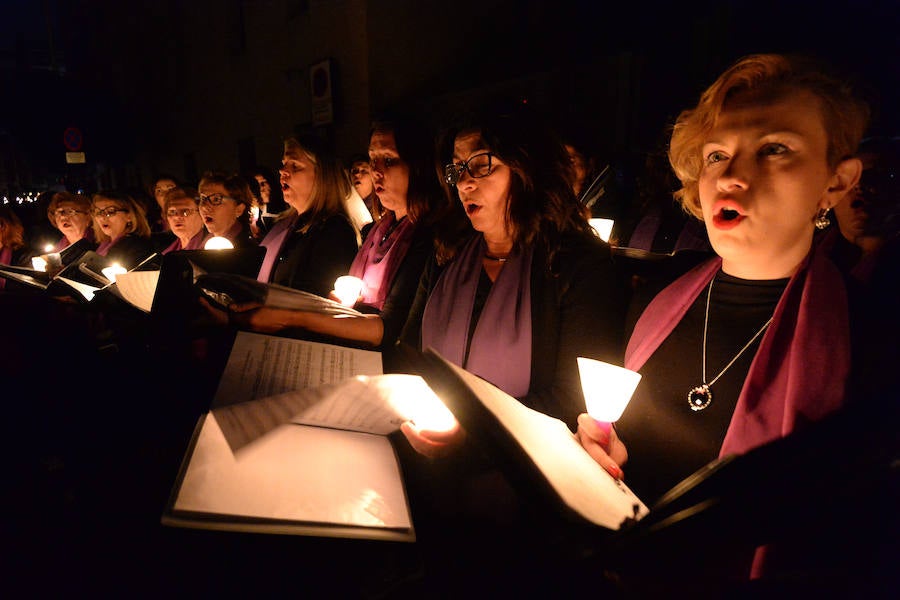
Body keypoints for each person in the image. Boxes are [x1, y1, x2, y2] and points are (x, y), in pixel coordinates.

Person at [574, 53, 871, 585]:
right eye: (716, 155)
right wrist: (603, 449)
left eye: (775, 149)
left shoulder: (870, 336)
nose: (731, 175)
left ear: (836, 182)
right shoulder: (656, 300)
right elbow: (626, 452)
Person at [400, 104, 627, 436]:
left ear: (528, 169)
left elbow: (573, 401)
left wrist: (473, 432)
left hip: (521, 466)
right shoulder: (448, 252)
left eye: (481, 165)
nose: (463, 183)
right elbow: (409, 351)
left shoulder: (577, 264)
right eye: (457, 169)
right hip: (423, 444)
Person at [229, 117, 444, 355]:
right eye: (373, 159)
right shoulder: (380, 230)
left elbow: (388, 327)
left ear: (417, 165)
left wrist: (290, 318)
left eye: (389, 160)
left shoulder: (428, 235)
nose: (376, 170)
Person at [251, 133, 360, 298]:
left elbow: (314, 301)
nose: (282, 171)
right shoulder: (286, 226)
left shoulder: (335, 232)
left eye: (294, 166)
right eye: (283, 164)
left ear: (322, 176)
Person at [90, 191, 156, 269]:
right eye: (98, 212)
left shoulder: (137, 247)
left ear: (129, 216)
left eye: (110, 211)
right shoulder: (98, 246)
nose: (102, 217)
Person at [197, 171, 258, 248]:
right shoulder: (203, 245)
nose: (204, 207)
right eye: (203, 199)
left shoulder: (245, 250)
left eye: (216, 199)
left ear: (239, 209)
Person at [160, 186, 206, 253]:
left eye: (186, 211)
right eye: (172, 212)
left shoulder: (215, 247)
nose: (177, 216)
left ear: (202, 215)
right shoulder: (165, 253)